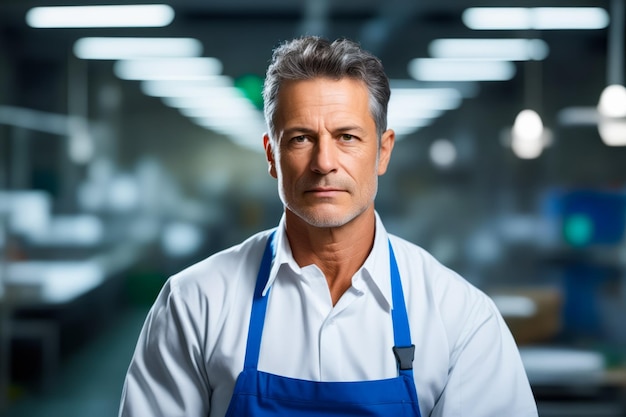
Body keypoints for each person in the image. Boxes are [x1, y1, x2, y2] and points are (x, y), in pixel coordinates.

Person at [118, 36, 538, 417]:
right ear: (271, 155)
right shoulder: (195, 302)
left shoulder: (459, 316)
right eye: (300, 138)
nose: (323, 162)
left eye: (347, 137)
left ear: (383, 151)